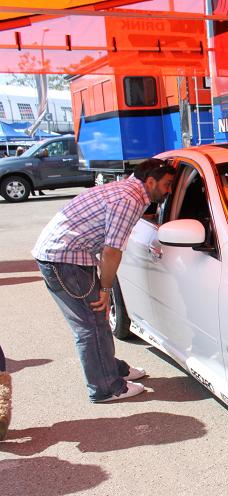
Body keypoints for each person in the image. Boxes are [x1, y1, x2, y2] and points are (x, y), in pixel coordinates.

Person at [32, 159, 175, 402]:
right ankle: (106, 388)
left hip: (67, 255)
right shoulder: (128, 199)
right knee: (91, 324)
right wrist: (106, 288)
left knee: (96, 319)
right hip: (65, 260)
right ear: (150, 181)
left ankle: (111, 370)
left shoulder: (127, 191)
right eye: (167, 184)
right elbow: (111, 251)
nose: (169, 190)